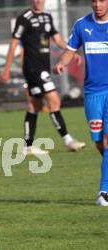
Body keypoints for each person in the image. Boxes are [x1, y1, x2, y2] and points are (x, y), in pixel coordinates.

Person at [0, 0, 85, 155]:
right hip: (33, 69)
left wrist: (71, 53)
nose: (38, 1)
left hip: (42, 69)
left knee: (34, 105)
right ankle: (68, 141)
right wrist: (6, 69)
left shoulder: (47, 17)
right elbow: (13, 44)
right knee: (54, 100)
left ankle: (27, 146)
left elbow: (58, 39)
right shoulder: (24, 18)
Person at [53, 0, 108, 206]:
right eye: (93, 0)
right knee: (99, 142)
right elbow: (70, 50)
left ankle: (104, 192)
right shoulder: (82, 25)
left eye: (101, 0)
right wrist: (60, 63)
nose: (97, 4)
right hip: (93, 93)